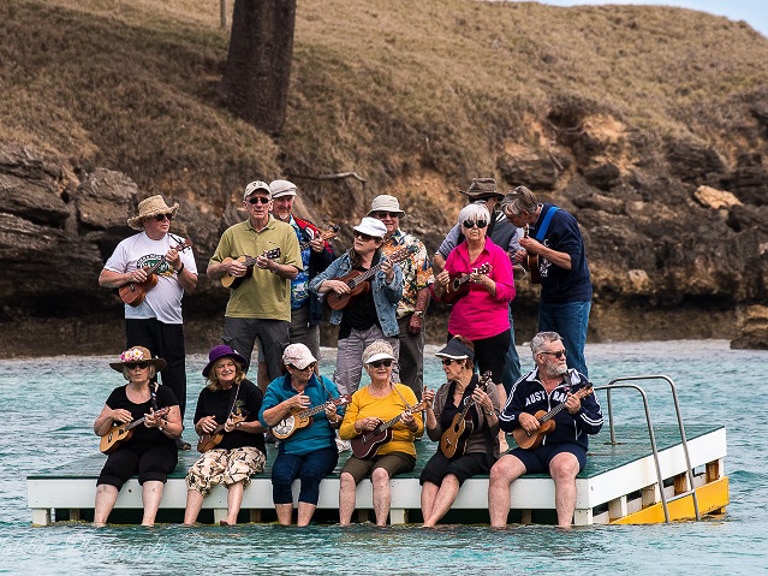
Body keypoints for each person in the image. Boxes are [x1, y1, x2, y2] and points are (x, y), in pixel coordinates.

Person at [98, 195, 198, 446]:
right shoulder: (128, 246)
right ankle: (143, 430)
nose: (166, 220)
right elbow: (104, 278)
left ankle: (174, 432)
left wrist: (177, 267)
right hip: (138, 320)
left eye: (168, 216)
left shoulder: (178, 244)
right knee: (141, 375)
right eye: (159, 216)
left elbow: (193, 284)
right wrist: (129, 276)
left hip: (171, 321)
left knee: (175, 377)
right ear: (145, 221)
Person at [488, 331, 603, 528]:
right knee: (499, 470)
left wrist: (577, 411)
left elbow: (596, 424)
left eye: (564, 352)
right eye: (557, 354)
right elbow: (505, 419)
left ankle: (564, 529)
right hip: (530, 447)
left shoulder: (578, 383)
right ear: (540, 358)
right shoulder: (524, 384)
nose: (564, 358)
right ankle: (498, 530)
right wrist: (520, 417)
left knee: (563, 468)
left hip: (568, 446)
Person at [431, 202, 515, 449]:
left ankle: (499, 435)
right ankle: (454, 432)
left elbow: (509, 293)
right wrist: (439, 283)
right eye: (469, 223)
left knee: (495, 380)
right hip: (460, 329)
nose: (474, 228)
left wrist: (488, 283)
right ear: (461, 227)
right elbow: (441, 296)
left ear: (487, 226)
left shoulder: (497, 255)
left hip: (492, 329)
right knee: (455, 379)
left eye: (480, 223)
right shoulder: (455, 255)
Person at [206, 180, 303, 387]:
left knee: (278, 374)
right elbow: (211, 270)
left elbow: (294, 272)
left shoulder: (286, 233)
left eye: (264, 200)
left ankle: (277, 416)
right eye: (254, 200)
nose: (259, 204)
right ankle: (232, 415)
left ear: (270, 204)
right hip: (239, 313)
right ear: (245, 205)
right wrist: (228, 266)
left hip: (275, 313)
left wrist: (274, 266)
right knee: (231, 373)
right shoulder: (232, 233)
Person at [433, 178, 523, 393]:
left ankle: (512, 409)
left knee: (504, 368)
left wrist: (497, 273)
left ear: (494, 201)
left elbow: (519, 271)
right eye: (472, 199)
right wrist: (452, 281)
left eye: (482, 199)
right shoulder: (460, 229)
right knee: (459, 378)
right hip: (462, 322)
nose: (475, 226)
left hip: (493, 316)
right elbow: (439, 255)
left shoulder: (511, 225)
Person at [252, 179, 336, 389]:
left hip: (302, 309)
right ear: (270, 202)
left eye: (288, 200)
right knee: (266, 365)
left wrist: (321, 251)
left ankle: (315, 409)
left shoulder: (307, 230)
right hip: (269, 309)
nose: (285, 205)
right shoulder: (259, 229)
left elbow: (331, 265)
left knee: (310, 363)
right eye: (280, 200)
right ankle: (267, 413)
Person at [504, 186, 593, 376]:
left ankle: (584, 402)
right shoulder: (530, 224)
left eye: (513, 219)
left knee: (571, 356)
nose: (512, 224)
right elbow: (539, 268)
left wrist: (539, 249)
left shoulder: (561, 220)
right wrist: (527, 259)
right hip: (549, 297)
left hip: (573, 298)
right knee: (544, 354)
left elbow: (571, 262)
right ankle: (549, 400)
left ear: (526, 213)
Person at [309, 217, 404, 396]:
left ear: (377, 242)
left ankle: (391, 421)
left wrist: (390, 276)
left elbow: (396, 297)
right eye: (357, 234)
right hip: (350, 331)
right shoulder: (344, 261)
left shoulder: (388, 264)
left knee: (388, 381)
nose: (358, 238)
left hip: (380, 331)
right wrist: (331, 284)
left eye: (365, 236)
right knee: (343, 385)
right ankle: (344, 420)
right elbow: (314, 285)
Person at [93, 346, 182, 527]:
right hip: (127, 448)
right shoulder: (117, 394)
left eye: (142, 365)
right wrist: (111, 416)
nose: (138, 370)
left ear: (150, 369)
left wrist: (160, 424)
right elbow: (99, 430)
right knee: (110, 471)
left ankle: (147, 524)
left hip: (160, 447)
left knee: (152, 469)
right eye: (133, 366)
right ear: (127, 371)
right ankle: (98, 523)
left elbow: (177, 430)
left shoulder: (164, 393)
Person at [337, 340, 423, 526]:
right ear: (367, 368)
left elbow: (420, 430)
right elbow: (344, 432)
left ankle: (381, 526)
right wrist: (360, 425)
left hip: (399, 450)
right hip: (365, 450)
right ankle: (344, 526)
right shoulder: (359, 396)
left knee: (380, 474)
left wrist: (411, 424)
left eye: (387, 363)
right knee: (346, 477)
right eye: (377, 364)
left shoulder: (405, 393)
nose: (383, 367)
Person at [259, 343, 344, 526]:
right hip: (290, 447)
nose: (309, 370)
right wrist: (288, 404)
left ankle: (302, 527)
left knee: (310, 473)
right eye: (304, 367)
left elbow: (341, 421)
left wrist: (333, 416)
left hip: (322, 447)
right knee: (280, 476)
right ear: (289, 368)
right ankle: (284, 527)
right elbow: (265, 419)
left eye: (311, 365)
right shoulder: (277, 386)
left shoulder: (323, 384)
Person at [420, 336, 500, 527]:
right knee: (429, 475)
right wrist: (429, 409)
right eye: (443, 362)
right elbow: (435, 435)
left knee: (453, 473)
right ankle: (427, 523)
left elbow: (496, 429)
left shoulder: (486, 387)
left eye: (448, 362)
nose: (444, 367)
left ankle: (429, 523)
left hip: (478, 450)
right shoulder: (443, 391)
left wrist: (488, 408)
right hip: (448, 449)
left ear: (464, 362)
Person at [183, 345, 267, 526]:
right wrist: (201, 424)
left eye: (230, 364)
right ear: (214, 371)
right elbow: (198, 427)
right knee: (197, 472)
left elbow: (264, 425)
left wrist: (241, 425)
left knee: (237, 468)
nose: (227, 369)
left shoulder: (249, 390)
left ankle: (231, 518)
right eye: (221, 366)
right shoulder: (206, 394)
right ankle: (188, 523)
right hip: (217, 449)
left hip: (249, 448)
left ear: (236, 367)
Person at [368, 194, 433, 400]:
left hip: (406, 320)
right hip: (374, 322)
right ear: (373, 217)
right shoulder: (366, 244)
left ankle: (415, 424)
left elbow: (425, 282)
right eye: (382, 215)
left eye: (392, 215)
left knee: (412, 373)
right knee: (379, 376)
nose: (388, 218)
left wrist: (418, 315)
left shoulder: (414, 244)